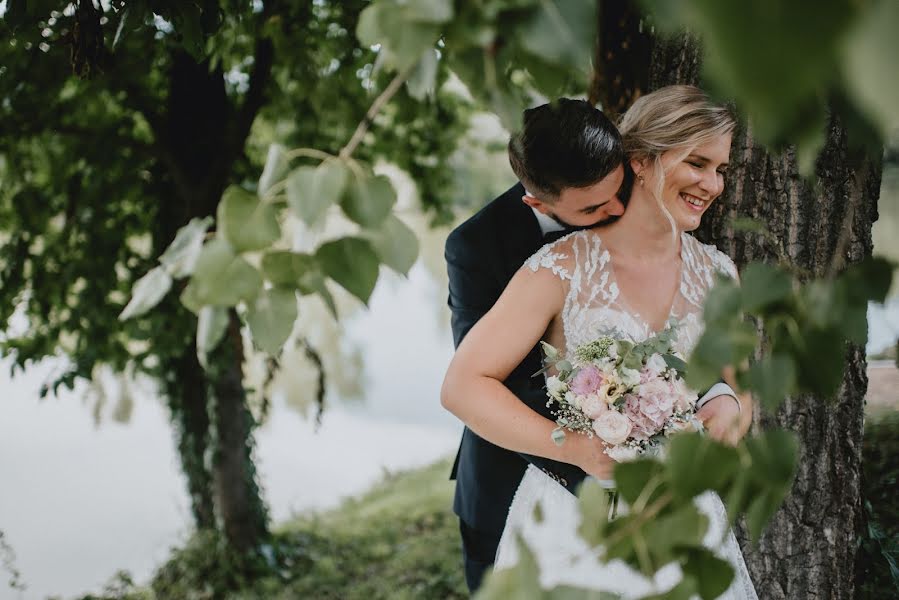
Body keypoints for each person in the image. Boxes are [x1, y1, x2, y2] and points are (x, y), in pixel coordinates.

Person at [442, 86, 756, 597]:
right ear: (640, 161)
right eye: (697, 163)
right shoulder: (556, 264)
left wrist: (726, 410)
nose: (712, 184)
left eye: (721, 169)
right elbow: (466, 384)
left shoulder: (720, 273)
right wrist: (579, 446)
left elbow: (740, 391)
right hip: (571, 510)